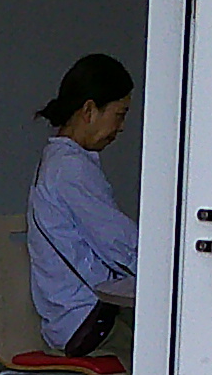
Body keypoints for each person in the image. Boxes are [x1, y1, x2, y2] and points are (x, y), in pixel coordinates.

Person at [26, 53, 139, 356]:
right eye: (119, 113)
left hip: (71, 314)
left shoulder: (59, 161)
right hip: (87, 318)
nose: (122, 126)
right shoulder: (71, 169)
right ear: (90, 110)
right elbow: (119, 243)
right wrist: (170, 268)